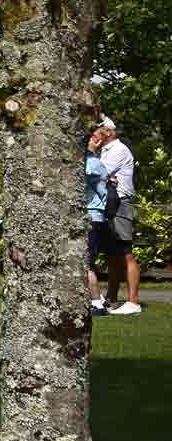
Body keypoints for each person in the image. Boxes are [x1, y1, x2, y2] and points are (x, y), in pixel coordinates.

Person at [91, 117, 143, 315]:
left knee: (125, 252)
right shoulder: (105, 151)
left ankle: (133, 301)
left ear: (109, 132)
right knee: (113, 254)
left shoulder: (118, 150)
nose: (95, 133)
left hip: (120, 203)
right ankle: (112, 298)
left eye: (98, 129)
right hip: (110, 204)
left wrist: (96, 163)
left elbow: (98, 173)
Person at [84, 130, 111, 310]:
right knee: (88, 262)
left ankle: (96, 303)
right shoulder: (97, 163)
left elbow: (86, 172)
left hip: (92, 216)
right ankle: (100, 299)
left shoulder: (93, 163)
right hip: (97, 218)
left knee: (84, 263)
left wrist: (89, 151)